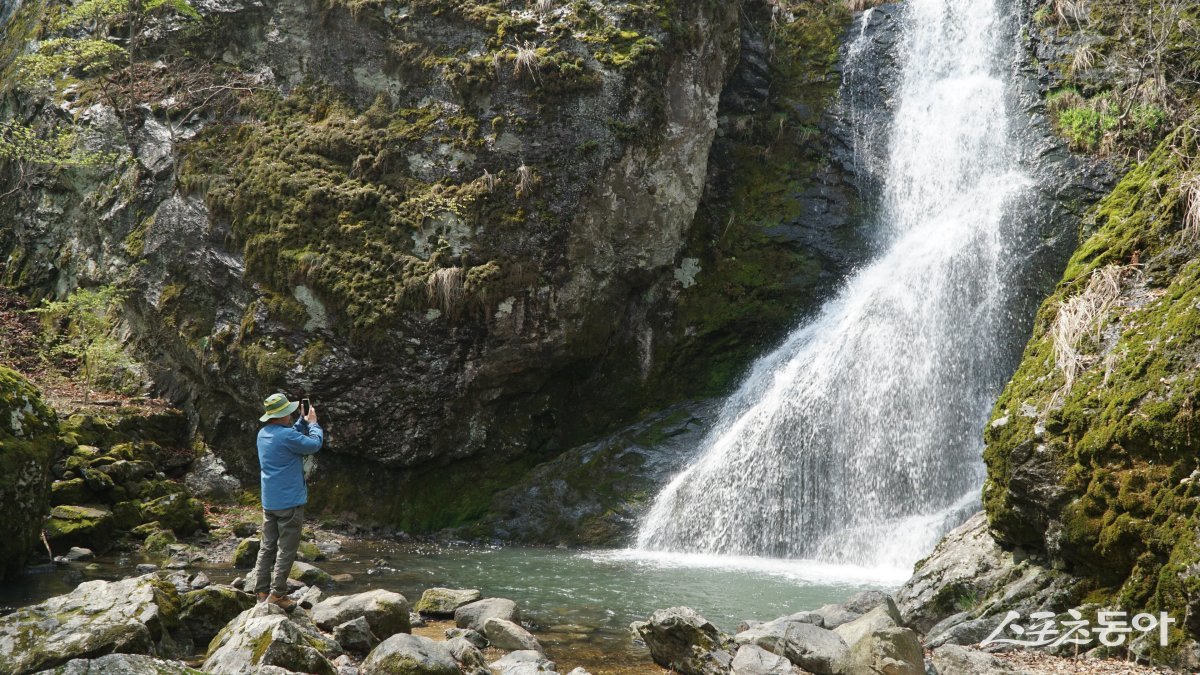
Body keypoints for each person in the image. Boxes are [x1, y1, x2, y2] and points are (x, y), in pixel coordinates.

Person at [252, 393, 324, 610]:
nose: (292, 414)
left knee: (267, 546)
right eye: (290, 412)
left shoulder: (263, 434)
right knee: (286, 549)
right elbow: (313, 445)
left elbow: (289, 437)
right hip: (290, 503)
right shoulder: (286, 436)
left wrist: (302, 422)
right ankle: (278, 595)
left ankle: (262, 591)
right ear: (282, 415)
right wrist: (314, 424)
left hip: (269, 501)